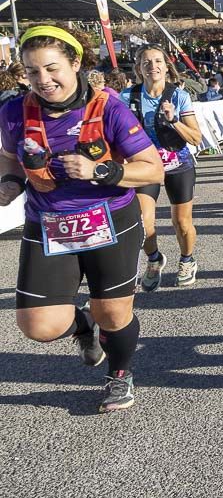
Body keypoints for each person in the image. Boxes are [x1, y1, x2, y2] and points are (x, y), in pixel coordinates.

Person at [0, 25, 165, 412]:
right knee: (38, 326)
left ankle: (119, 375)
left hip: (110, 220)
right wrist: (9, 181)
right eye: (32, 71)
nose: (43, 80)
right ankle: (83, 327)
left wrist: (102, 171)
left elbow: (152, 169)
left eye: (52, 68)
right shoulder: (12, 111)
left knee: (113, 312)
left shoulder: (108, 107)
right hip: (48, 224)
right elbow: (9, 154)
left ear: (75, 63)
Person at [121, 44, 205, 291]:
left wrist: (174, 120)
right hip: (145, 166)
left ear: (167, 66)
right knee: (144, 223)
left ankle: (187, 260)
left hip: (178, 164)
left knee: (181, 222)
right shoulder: (127, 97)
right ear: (139, 68)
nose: (153, 67)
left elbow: (196, 138)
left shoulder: (178, 96)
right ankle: (155, 259)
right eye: (147, 62)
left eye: (158, 61)